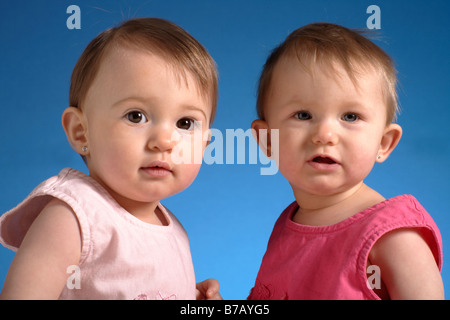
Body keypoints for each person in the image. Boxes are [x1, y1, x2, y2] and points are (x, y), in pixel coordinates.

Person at [0, 17, 221, 300]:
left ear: (205, 144)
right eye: (136, 116)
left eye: (186, 123)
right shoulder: (74, 217)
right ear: (82, 132)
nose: (165, 141)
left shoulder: (175, 232)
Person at [249, 23, 443, 300]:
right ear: (267, 140)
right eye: (303, 115)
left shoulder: (393, 238)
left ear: (383, 143)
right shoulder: (287, 226)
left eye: (350, 117)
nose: (324, 135)